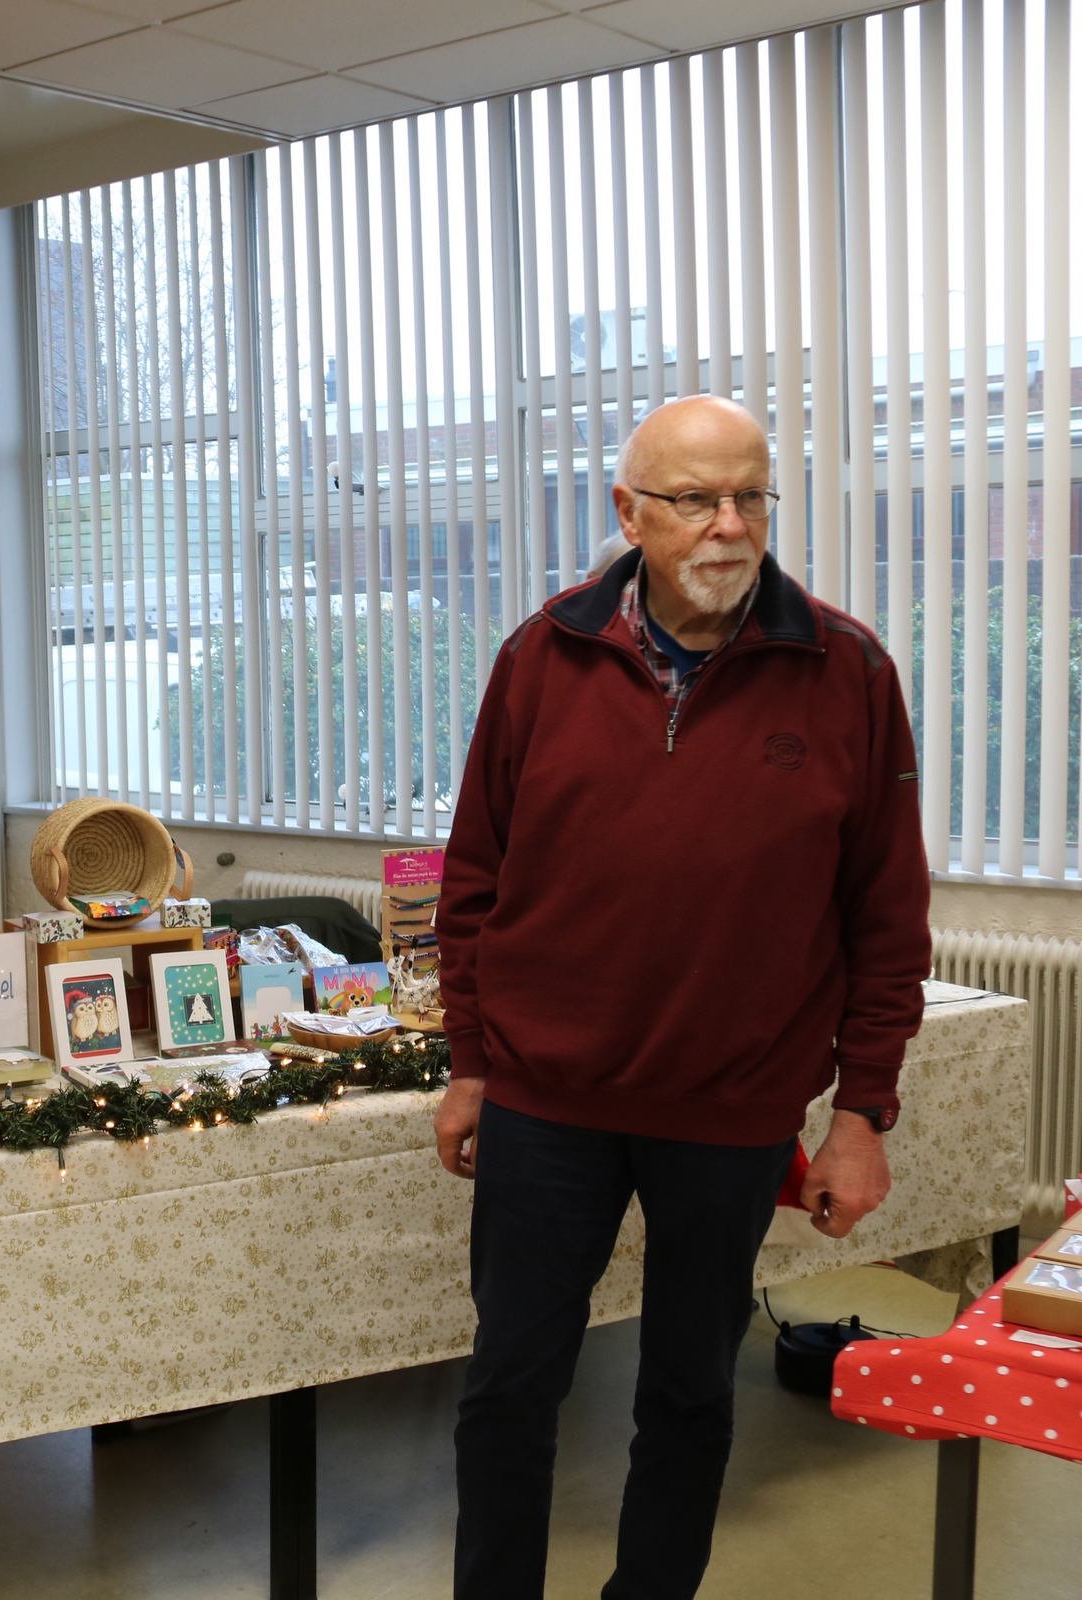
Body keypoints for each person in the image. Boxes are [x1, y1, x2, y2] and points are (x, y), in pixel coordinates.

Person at [433, 395, 930, 1600]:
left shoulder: (847, 669)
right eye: (696, 499)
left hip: (731, 1110)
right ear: (629, 512)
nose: (730, 525)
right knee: (510, 1386)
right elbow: (476, 877)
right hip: (547, 1100)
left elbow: (885, 913)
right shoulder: (542, 656)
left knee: (691, 1393)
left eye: (751, 496)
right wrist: (471, 1062)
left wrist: (862, 1114)